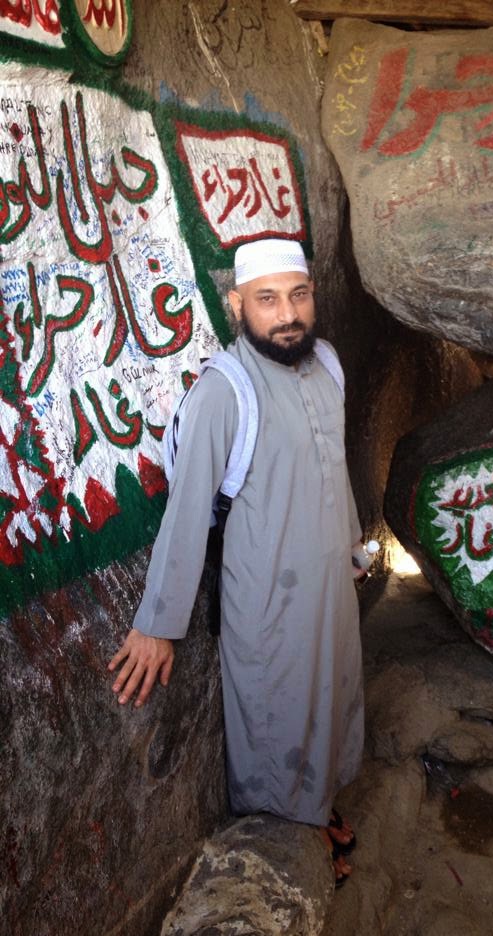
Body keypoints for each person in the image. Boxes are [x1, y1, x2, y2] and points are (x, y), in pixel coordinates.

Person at [108, 238, 365, 884]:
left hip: (333, 584)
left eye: (298, 295)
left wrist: (354, 547)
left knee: (332, 700)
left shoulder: (328, 364)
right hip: (268, 598)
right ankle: (289, 853)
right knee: (277, 722)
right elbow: (189, 508)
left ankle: (319, 811)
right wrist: (158, 625)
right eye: (268, 299)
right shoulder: (227, 391)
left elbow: (334, 466)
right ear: (237, 304)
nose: (288, 315)